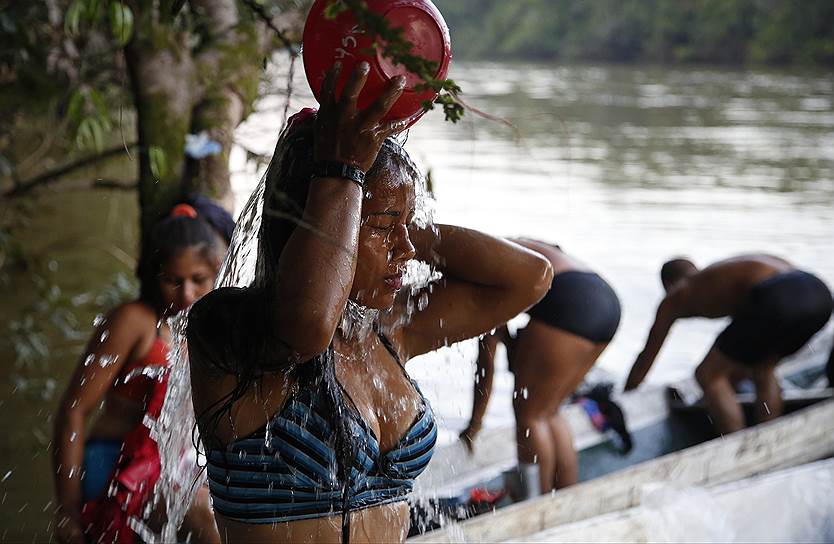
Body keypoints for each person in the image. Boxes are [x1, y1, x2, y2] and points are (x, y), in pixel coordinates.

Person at [186, 61, 553, 544]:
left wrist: (396, 220)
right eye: (383, 228)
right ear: (314, 216)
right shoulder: (228, 328)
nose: (405, 250)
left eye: (407, 227)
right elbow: (308, 328)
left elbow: (528, 279)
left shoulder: (390, 330)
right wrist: (343, 170)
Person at [52, 196, 232, 544]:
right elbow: (74, 411)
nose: (187, 294)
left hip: (176, 468)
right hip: (114, 465)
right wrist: (67, 509)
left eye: (199, 279)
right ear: (152, 275)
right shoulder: (134, 321)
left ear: (217, 273)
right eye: (173, 280)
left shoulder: (207, 333)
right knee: (206, 516)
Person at [459, 240, 621, 493]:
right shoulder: (508, 248)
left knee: (529, 415)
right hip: (605, 299)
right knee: (549, 411)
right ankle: (565, 498)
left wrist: (474, 424)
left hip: (571, 301)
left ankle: (536, 504)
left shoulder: (480, 275)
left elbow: (485, 365)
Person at [625, 254, 833, 434]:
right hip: (819, 295)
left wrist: (627, 396)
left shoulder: (679, 291)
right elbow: (746, 342)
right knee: (763, 367)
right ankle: (770, 437)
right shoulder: (724, 273)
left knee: (708, 374)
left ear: (669, 284)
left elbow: (647, 355)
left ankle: (737, 445)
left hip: (778, 295)